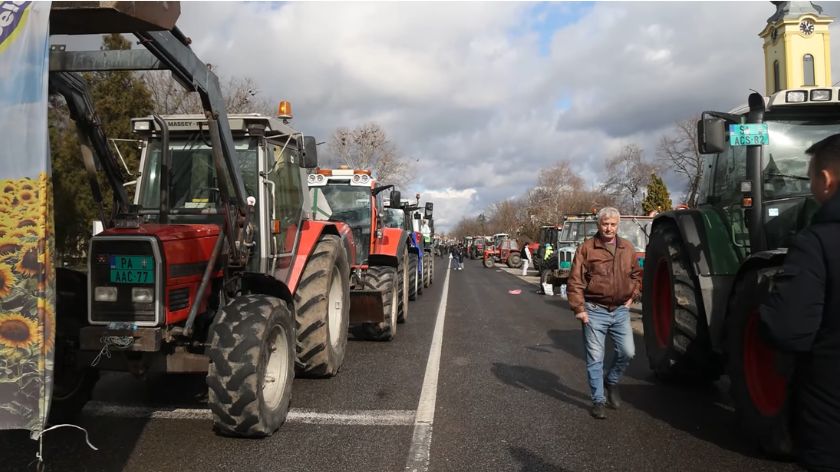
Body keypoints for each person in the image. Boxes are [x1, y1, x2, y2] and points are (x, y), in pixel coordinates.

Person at [759, 133, 840, 471]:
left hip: (829, 423)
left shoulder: (816, 242)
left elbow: (788, 329)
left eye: (809, 179)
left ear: (825, 179)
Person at [567, 207, 641, 420]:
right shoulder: (587, 248)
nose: (609, 228)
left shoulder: (627, 247)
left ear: (618, 225)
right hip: (594, 311)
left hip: (620, 311)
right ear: (598, 225)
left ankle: (612, 380)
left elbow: (636, 275)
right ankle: (598, 400)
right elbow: (575, 281)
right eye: (605, 224)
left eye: (613, 224)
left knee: (628, 352)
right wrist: (579, 309)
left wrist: (632, 296)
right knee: (595, 358)